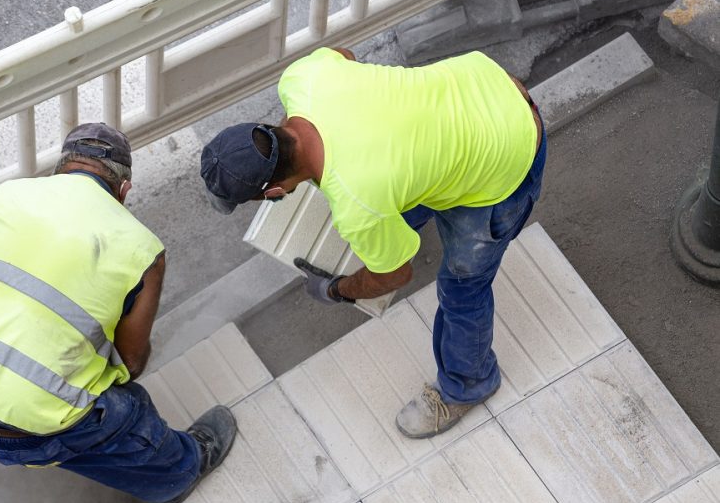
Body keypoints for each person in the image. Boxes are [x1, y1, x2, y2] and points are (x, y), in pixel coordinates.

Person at [199, 48, 546, 438]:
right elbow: (343, 55)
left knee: (463, 288)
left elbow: (395, 274)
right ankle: (403, 225)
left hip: (509, 152)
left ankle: (468, 386)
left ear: (276, 190)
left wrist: (339, 290)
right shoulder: (302, 79)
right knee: (399, 195)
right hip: (486, 83)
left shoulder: (358, 205)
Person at [0, 123, 236, 503]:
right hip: (27, 432)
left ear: (60, 170)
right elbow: (132, 362)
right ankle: (177, 475)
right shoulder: (144, 250)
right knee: (126, 411)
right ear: (123, 191)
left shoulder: (2, 197)